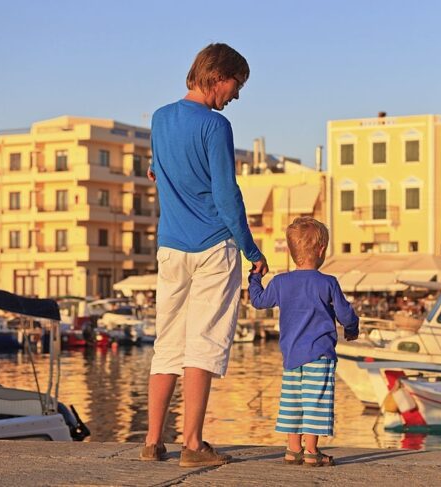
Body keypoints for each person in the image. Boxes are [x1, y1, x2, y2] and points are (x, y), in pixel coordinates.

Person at [141, 43, 268, 468]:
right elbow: (226, 195)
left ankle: (153, 441)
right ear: (217, 77)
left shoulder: (159, 119)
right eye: (236, 85)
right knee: (204, 344)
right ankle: (192, 445)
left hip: (171, 247)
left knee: (167, 344)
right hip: (214, 245)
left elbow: (156, 172)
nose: (236, 95)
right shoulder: (215, 126)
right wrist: (251, 250)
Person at [248, 217, 359, 467]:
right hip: (319, 353)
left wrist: (254, 278)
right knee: (315, 400)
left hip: (291, 355)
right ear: (321, 251)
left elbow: (258, 301)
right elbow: (345, 314)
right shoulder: (328, 282)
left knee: (293, 400)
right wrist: (352, 328)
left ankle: (292, 448)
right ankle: (311, 451)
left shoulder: (280, 283)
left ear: (291, 251)